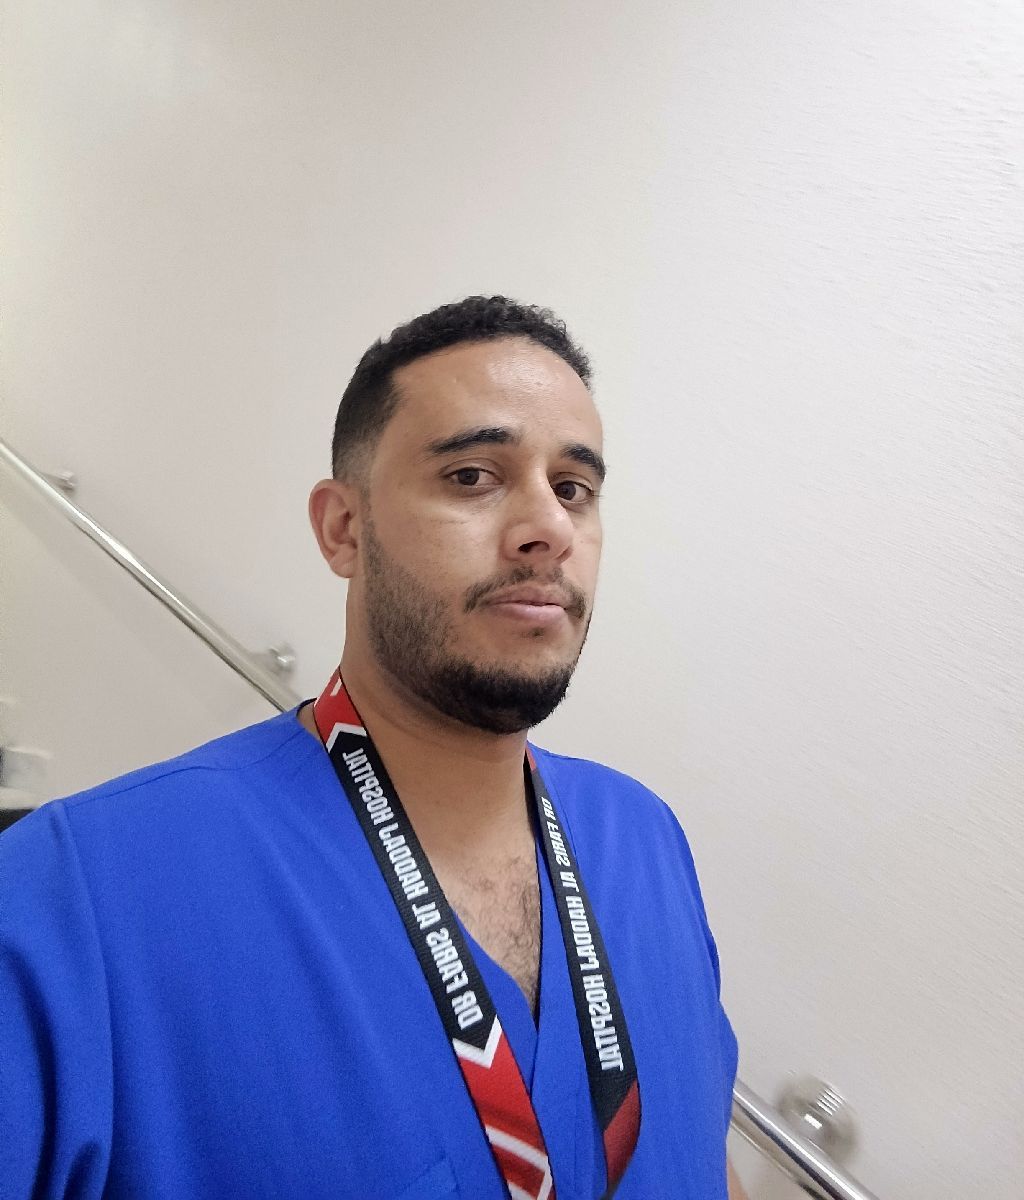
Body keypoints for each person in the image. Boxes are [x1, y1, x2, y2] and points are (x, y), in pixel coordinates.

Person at [1, 296, 745, 1199]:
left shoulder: (646, 837)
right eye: (472, 475)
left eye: (573, 488)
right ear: (343, 530)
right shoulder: (80, 895)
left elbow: (702, 1153)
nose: (548, 527)